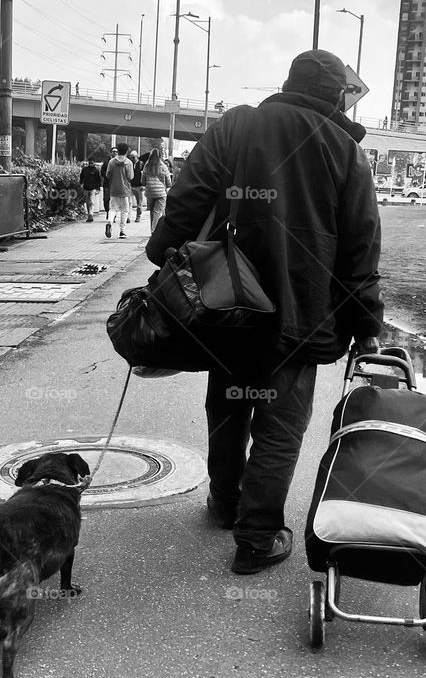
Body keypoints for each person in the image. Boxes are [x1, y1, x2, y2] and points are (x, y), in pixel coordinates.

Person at [146, 49, 383, 576]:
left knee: (228, 406)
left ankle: (224, 503)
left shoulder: (239, 125)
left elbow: (188, 197)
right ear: (337, 96)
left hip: (225, 301)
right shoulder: (345, 151)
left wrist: (163, 253)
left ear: (286, 83)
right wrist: (366, 325)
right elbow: (359, 250)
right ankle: (256, 538)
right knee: (279, 425)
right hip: (302, 313)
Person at [104, 143, 134, 238]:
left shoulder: (112, 162)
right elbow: (130, 176)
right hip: (125, 190)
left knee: (113, 209)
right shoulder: (129, 162)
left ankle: (109, 222)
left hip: (114, 188)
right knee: (124, 211)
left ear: (118, 150)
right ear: (126, 151)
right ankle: (122, 232)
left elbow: (107, 175)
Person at [141, 147, 172, 231]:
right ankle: (154, 230)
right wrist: (167, 185)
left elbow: (143, 181)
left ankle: (152, 230)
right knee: (157, 212)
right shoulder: (163, 166)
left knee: (152, 211)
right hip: (160, 193)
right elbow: (168, 182)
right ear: (159, 156)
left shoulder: (147, 166)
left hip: (150, 193)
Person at [79, 157, 103, 222]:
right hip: (86, 188)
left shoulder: (96, 171)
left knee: (91, 202)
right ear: (88, 162)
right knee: (87, 202)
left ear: (94, 163)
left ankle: (91, 214)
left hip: (93, 189)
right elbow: (81, 177)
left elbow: (98, 180)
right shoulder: (84, 170)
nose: (91, 163)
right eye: (90, 162)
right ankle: (89, 214)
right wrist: (81, 184)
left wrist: (98, 189)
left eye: (92, 162)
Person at [128, 150, 144, 222]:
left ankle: (138, 216)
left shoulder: (141, 164)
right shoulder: (129, 164)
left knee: (139, 203)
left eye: (133, 157)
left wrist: (143, 185)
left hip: (139, 186)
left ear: (137, 156)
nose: (132, 159)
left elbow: (143, 175)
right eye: (131, 157)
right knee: (129, 202)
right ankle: (128, 216)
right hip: (130, 185)